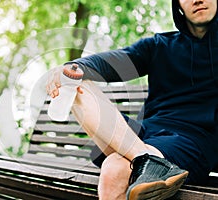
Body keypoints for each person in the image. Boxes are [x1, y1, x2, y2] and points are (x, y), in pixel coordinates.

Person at [46, 0, 218, 199]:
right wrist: (74, 66)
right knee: (75, 80)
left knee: (114, 170)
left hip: (192, 142)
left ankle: (149, 162)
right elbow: (117, 61)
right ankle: (147, 160)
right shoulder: (159, 46)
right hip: (144, 134)